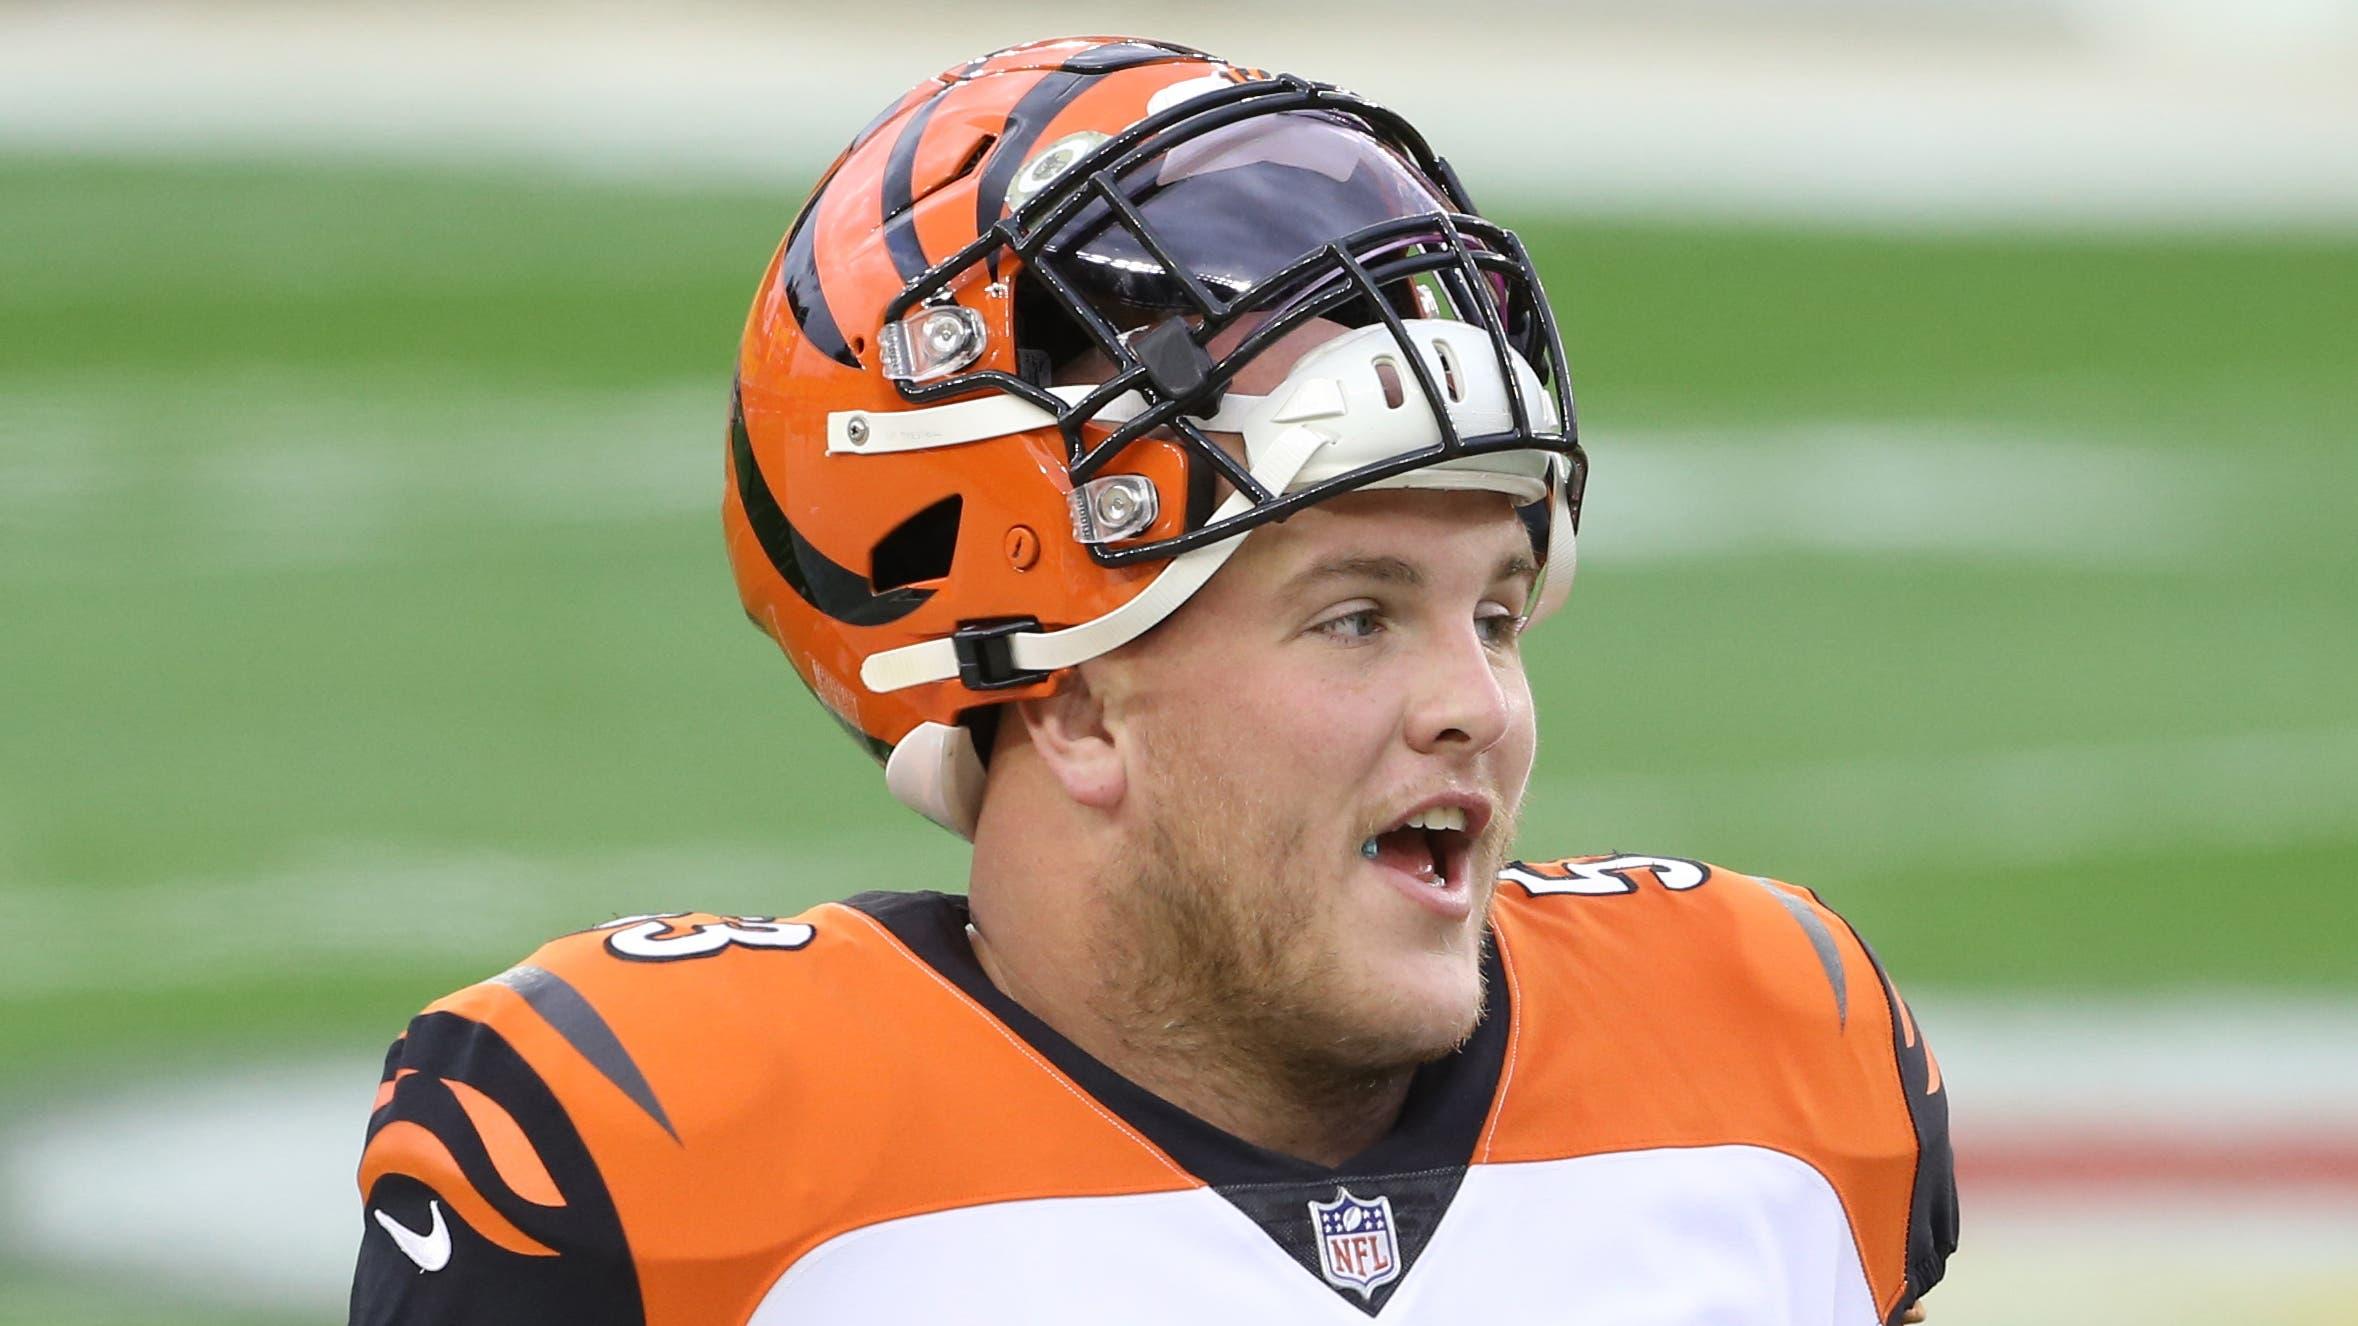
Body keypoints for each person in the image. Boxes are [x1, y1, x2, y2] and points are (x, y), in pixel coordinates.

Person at [347, 35, 1955, 1325]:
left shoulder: (1765, 1052)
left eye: (1497, 613)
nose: (1473, 704)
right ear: (1068, 696)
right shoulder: (660, 1152)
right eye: (1356, 615)